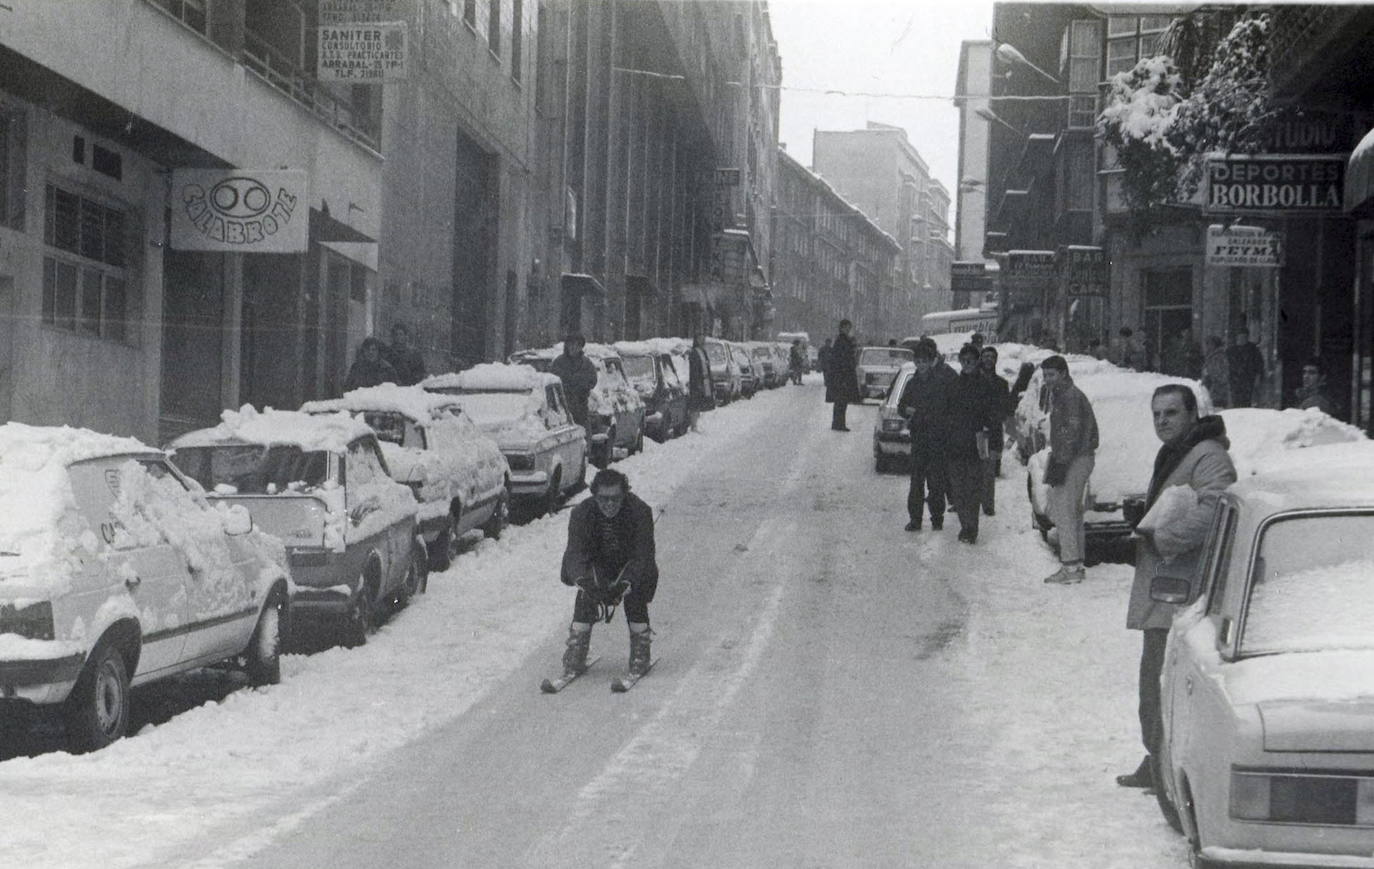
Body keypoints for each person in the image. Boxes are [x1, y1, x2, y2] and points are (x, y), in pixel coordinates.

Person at [1117, 384, 1236, 790]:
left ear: (1192, 414)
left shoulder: (1209, 456)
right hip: (1167, 586)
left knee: (1162, 679)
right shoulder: (1181, 452)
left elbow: (1215, 512)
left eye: (1171, 413)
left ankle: (1166, 766)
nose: (1162, 421)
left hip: (1183, 590)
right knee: (1154, 678)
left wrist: (1161, 537)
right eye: (1156, 414)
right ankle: (1158, 758)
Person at [558, 469, 660, 678]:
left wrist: (625, 584)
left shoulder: (640, 512)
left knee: (635, 596)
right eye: (604, 499)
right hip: (599, 566)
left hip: (630, 567)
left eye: (616, 498)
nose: (610, 504)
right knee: (586, 595)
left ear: (625, 495)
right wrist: (586, 582)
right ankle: (577, 649)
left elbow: (643, 556)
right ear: (594, 495)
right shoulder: (581, 514)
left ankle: (640, 651)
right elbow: (575, 554)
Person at [1039, 355, 1099, 584]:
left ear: (1063, 373)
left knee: (1064, 513)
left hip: (1073, 458)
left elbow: (1070, 433)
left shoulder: (1069, 397)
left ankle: (1071, 569)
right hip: (1075, 457)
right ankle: (1076, 563)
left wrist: (1060, 463)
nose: (1047, 380)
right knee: (1072, 513)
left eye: (1051, 375)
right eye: (1045, 375)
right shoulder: (1063, 394)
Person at [945, 343, 998, 544]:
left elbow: (993, 416)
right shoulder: (954, 385)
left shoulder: (985, 385)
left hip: (976, 444)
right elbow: (947, 412)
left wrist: (991, 441)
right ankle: (964, 524)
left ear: (977, 362)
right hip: (955, 443)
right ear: (960, 361)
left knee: (973, 489)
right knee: (957, 490)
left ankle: (970, 528)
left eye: (971, 361)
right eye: (964, 360)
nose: (967, 364)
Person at [897, 341, 951, 532]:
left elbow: (945, 408)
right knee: (916, 481)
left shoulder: (940, 382)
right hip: (919, 438)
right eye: (918, 362)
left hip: (936, 438)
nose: (921, 365)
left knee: (936, 482)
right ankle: (915, 519)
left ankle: (937, 518)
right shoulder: (912, 383)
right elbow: (901, 406)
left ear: (930, 362)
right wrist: (907, 410)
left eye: (925, 361)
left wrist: (927, 415)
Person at [978, 346, 1011, 517]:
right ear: (981, 359)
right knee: (971, 468)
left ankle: (988, 504)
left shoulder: (1001, 384)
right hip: (974, 431)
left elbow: (1004, 408)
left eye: (992, 356)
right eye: (985, 356)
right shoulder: (972, 381)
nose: (988, 359)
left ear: (996, 360)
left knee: (989, 470)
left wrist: (993, 421)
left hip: (992, 432)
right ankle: (968, 500)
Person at [549, 333, 599, 427]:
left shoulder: (586, 363)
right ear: (567, 346)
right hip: (562, 410)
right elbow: (551, 381)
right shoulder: (559, 363)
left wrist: (582, 387)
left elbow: (593, 380)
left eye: (577, 345)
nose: (574, 348)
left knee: (584, 436)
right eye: (571, 344)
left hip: (581, 409)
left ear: (581, 347)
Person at [825, 319, 861, 431]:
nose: (849, 329)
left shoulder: (843, 340)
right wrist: (844, 375)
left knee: (841, 401)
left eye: (849, 328)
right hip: (842, 377)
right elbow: (842, 360)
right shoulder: (842, 341)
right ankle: (838, 424)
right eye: (847, 327)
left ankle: (838, 423)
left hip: (841, 376)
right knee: (841, 401)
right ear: (842, 328)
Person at [1226, 327, 1265, 408]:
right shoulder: (1230, 351)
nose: (1242, 339)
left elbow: (1259, 365)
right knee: (1236, 402)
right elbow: (1227, 365)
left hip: (1248, 380)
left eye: (1244, 337)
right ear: (1237, 337)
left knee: (1247, 402)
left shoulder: (1253, 349)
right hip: (1235, 380)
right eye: (1240, 336)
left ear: (1247, 337)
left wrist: (1258, 377)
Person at [687, 333, 715, 431]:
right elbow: (694, 370)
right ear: (696, 340)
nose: (703, 341)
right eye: (700, 339)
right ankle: (693, 425)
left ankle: (696, 424)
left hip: (705, 381)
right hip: (697, 382)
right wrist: (697, 383)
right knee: (695, 404)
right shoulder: (694, 353)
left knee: (701, 403)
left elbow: (707, 367)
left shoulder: (703, 351)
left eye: (703, 338)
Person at [1199, 335, 1230, 408]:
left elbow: (1219, 375)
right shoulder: (1212, 356)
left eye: (1208, 344)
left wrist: (1208, 378)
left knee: (1217, 411)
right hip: (1213, 390)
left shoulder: (1218, 357)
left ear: (1214, 345)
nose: (1206, 346)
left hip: (1217, 392)